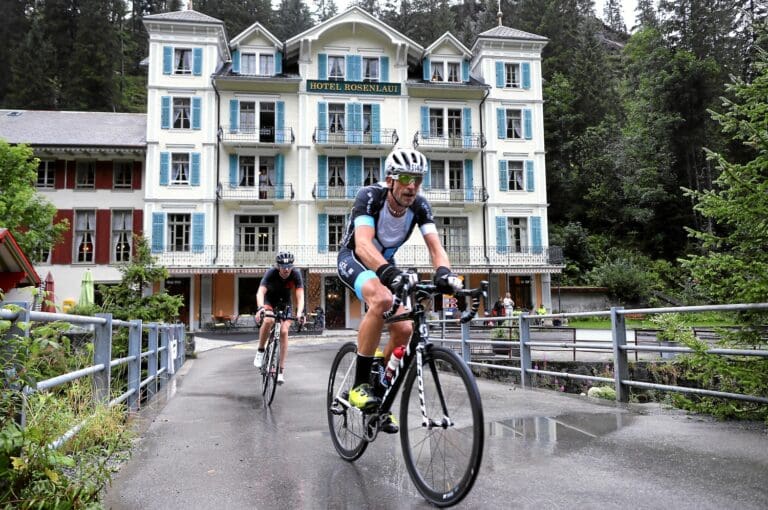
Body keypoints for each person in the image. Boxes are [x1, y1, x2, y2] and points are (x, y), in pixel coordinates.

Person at [336, 147, 463, 433]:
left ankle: (379, 391)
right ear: (390, 179)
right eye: (405, 177)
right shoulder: (370, 197)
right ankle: (359, 385)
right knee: (380, 299)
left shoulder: (420, 206)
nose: (412, 185)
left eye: (418, 179)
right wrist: (389, 273)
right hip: (355, 259)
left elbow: (436, 247)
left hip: (385, 265)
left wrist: (444, 273)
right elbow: (364, 245)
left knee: (405, 329)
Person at [252, 251, 305, 384]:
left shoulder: (295, 274)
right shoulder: (271, 273)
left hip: (285, 304)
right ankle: (260, 351)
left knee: (284, 331)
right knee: (269, 319)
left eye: (289, 266)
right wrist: (260, 308)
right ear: (278, 266)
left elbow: (300, 296)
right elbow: (260, 292)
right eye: (283, 267)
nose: (286, 269)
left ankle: (280, 371)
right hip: (270, 301)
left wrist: (299, 313)